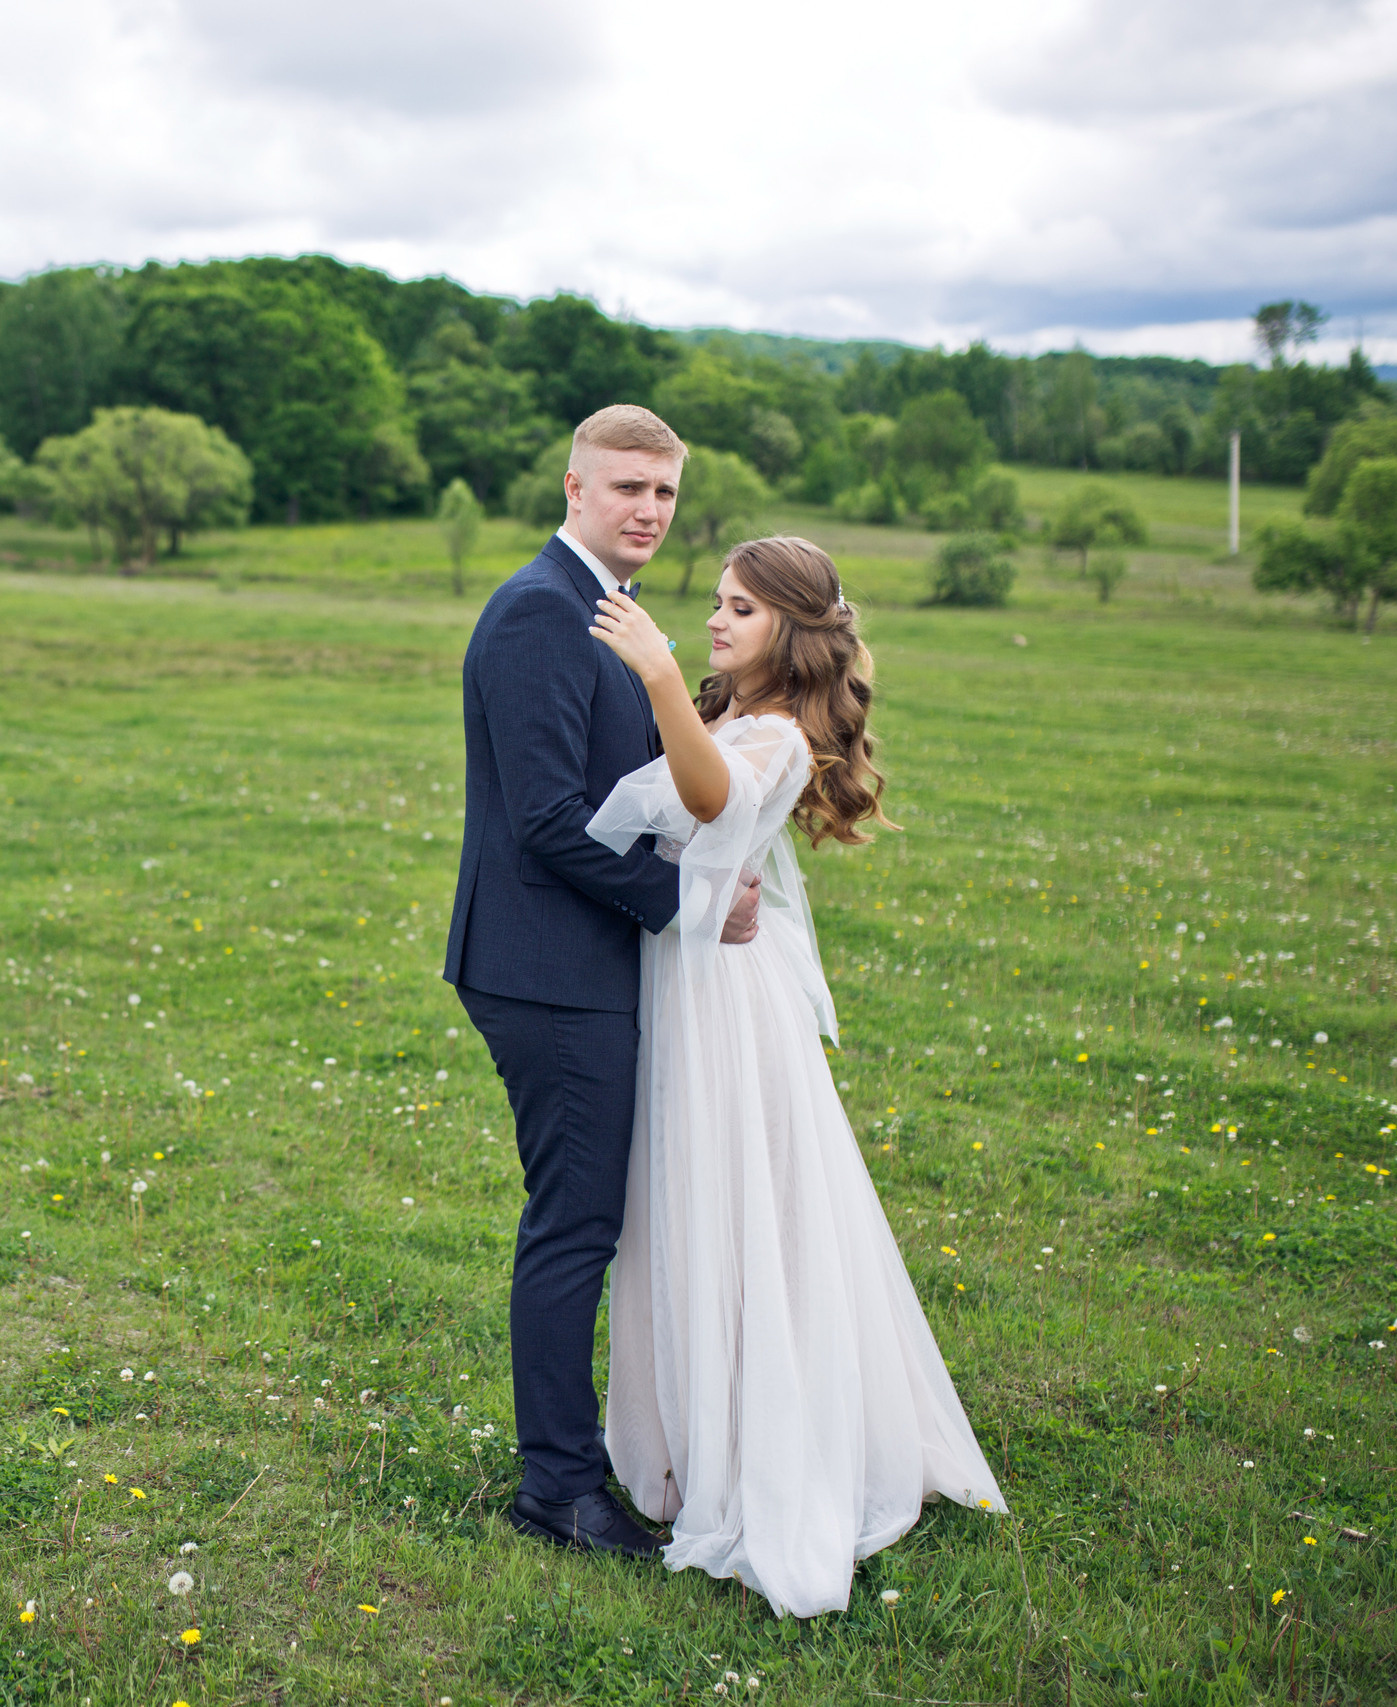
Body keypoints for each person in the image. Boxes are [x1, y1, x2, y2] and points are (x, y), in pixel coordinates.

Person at [583, 536, 1006, 1618]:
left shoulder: (770, 730)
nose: (717, 621)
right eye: (715, 603)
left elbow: (713, 802)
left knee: (733, 1201)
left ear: (794, 629)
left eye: (743, 609)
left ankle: (754, 1448)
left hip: (724, 1002)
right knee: (674, 1201)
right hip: (685, 970)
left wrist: (661, 673)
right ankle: (678, 1434)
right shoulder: (731, 706)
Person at [443, 405, 763, 1562]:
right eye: (626, 487)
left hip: (581, 960)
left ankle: (604, 1458)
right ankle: (560, 1492)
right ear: (573, 488)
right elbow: (545, 824)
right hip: (543, 970)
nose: (647, 510)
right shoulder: (538, 613)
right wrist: (685, 905)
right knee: (574, 1223)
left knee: (590, 1215)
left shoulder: (609, 612)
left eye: (665, 495)